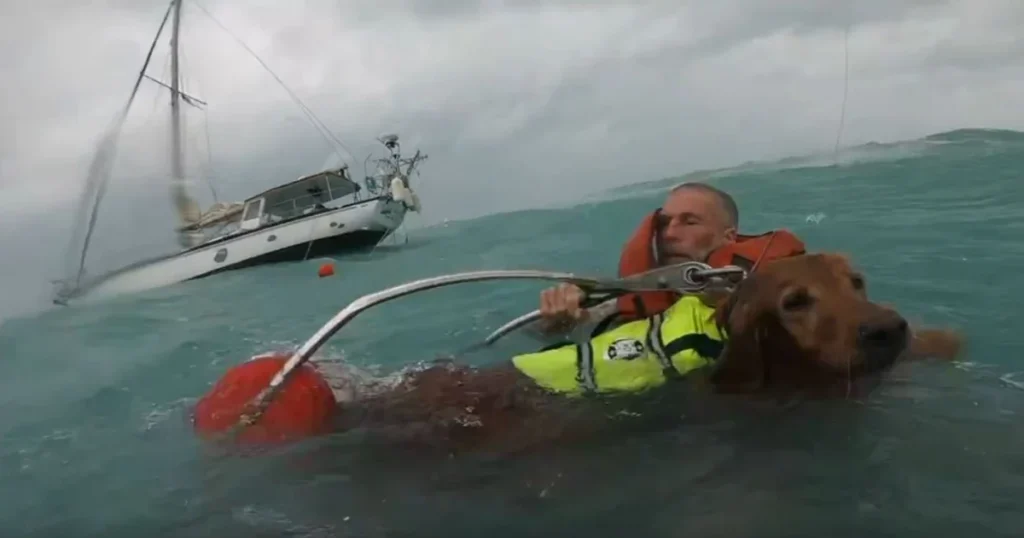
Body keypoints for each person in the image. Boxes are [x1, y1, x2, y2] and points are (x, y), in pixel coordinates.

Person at [538, 181, 775, 337]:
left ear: (729, 237)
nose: (669, 234)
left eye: (689, 222)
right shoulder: (630, 296)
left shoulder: (769, 292)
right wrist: (560, 319)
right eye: (664, 223)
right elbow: (546, 333)